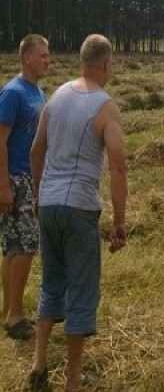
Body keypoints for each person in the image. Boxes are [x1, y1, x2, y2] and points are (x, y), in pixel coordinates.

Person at [27, 34, 127, 391]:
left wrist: (38, 194)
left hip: (49, 204)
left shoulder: (56, 96)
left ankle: (39, 363)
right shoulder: (106, 106)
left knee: (51, 282)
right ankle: (73, 377)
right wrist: (119, 221)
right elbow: (117, 166)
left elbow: (37, 151)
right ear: (106, 64)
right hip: (79, 207)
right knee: (82, 289)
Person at [0, 34, 49, 341]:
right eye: (42, 55)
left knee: (14, 247)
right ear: (27, 57)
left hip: (27, 179)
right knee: (26, 245)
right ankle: (15, 315)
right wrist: (3, 186)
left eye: (48, 56)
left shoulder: (38, 91)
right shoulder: (13, 93)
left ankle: (9, 311)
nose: (48, 60)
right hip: (14, 179)